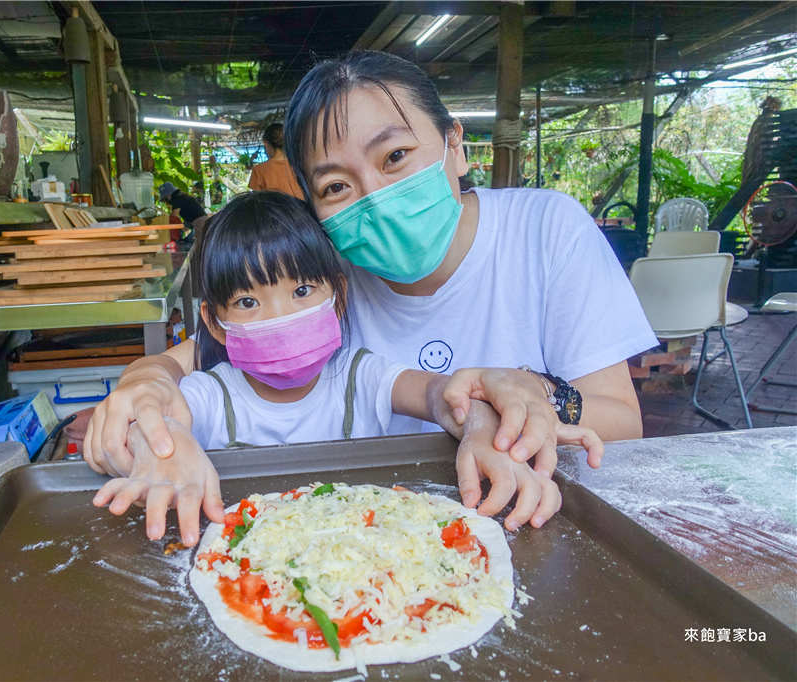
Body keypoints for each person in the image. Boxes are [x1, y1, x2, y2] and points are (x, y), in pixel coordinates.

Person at [85, 51, 655, 528]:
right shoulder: (323, 276)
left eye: (396, 157)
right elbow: (183, 362)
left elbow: (623, 423)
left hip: (520, 509)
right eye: (337, 185)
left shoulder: (547, 229)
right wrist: (146, 396)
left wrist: (524, 400)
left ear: (455, 144)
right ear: (314, 204)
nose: (375, 196)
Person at [92, 191, 602, 544]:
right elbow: (153, 418)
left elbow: (438, 395)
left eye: (300, 291)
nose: (280, 318)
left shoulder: (361, 376)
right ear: (216, 323)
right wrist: (163, 445)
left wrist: (485, 422)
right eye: (248, 302)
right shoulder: (212, 394)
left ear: (337, 297)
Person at [247, 123, 304, 198]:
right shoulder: (299, 165)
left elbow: (255, 201)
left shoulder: (259, 170)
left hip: (272, 210)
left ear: (266, 144)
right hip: (299, 209)